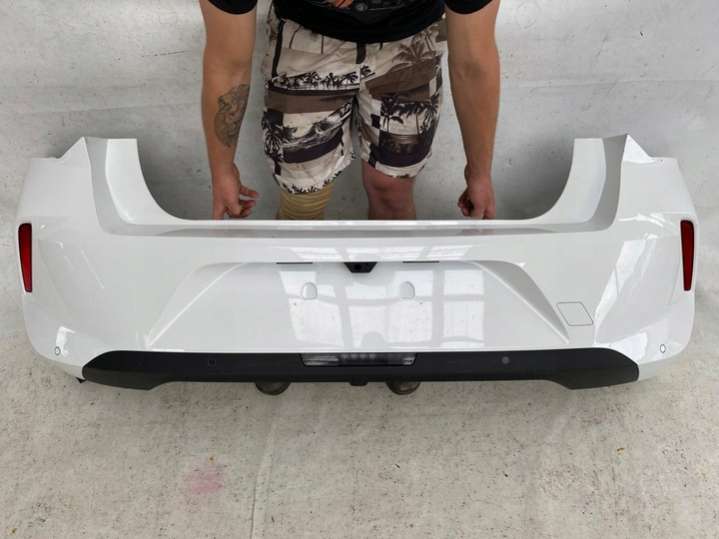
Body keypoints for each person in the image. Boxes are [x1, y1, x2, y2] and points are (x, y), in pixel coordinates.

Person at [200, 0, 500, 221]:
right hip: (306, 34)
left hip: (410, 40)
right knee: (302, 199)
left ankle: (388, 277)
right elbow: (227, 63)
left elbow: (473, 62)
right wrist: (222, 168)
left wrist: (479, 173)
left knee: (392, 191)